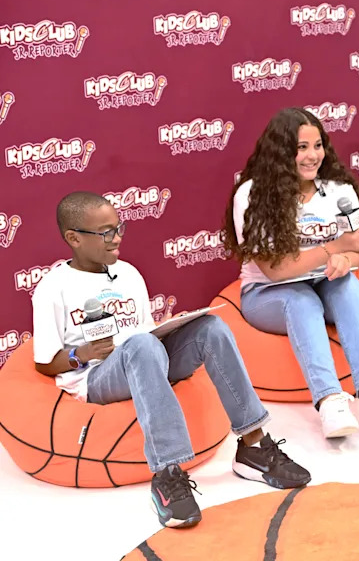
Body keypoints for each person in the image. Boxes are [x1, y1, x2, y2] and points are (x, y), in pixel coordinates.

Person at [32, 192, 311, 530]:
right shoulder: (53, 288)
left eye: (118, 227)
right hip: (97, 376)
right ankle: (168, 474)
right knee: (142, 347)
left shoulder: (128, 273)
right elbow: (45, 363)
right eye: (105, 232)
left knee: (211, 328)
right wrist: (83, 355)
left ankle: (254, 445)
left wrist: (171, 331)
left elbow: (146, 334)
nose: (117, 237)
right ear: (74, 238)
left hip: (144, 359)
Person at [222, 107, 359, 438]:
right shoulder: (252, 195)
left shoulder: (338, 190)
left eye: (317, 145)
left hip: (324, 281)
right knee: (301, 300)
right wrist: (333, 248)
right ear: (280, 152)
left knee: (349, 286)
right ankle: (330, 402)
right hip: (267, 293)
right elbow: (275, 270)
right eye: (301, 148)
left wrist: (346, 260)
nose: (312, 156)